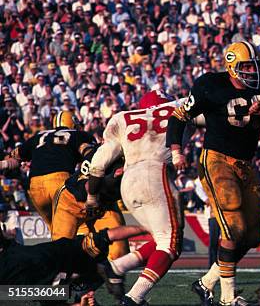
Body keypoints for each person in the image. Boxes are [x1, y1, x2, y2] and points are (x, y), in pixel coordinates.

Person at [166, 41, 260, 306]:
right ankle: (228, 297)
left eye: (255, 65)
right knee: (234, 227)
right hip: (216, 159)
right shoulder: (211, 84)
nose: (252, 71)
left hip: (245, 163)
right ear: (231, 67)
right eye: (245, 66)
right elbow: (178, 116)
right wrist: (177, 152)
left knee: (253, 235)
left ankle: (206, 282)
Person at [86, 91, 197, 305]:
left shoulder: (122, 117)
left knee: (161, 238)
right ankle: (134, 298)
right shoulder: (178, 107)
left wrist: (92, 196)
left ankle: (117, 267)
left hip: (129, 182)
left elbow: (98, 165)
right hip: (155, 174)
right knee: (171, 243)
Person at [0, 224, 146, 306]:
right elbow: (108, 235)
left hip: (46, 274)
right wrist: (147, 228)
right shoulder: (63, 251)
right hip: (48, 269)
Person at [0, 111, 97, 228]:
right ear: (72, 123)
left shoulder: (39, 135)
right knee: (78, 223)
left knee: (55, 228)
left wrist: (3, 164)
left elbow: (14, 159)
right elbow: (90, 155)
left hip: (35, 186)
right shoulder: (78, 135)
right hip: (60, 181)